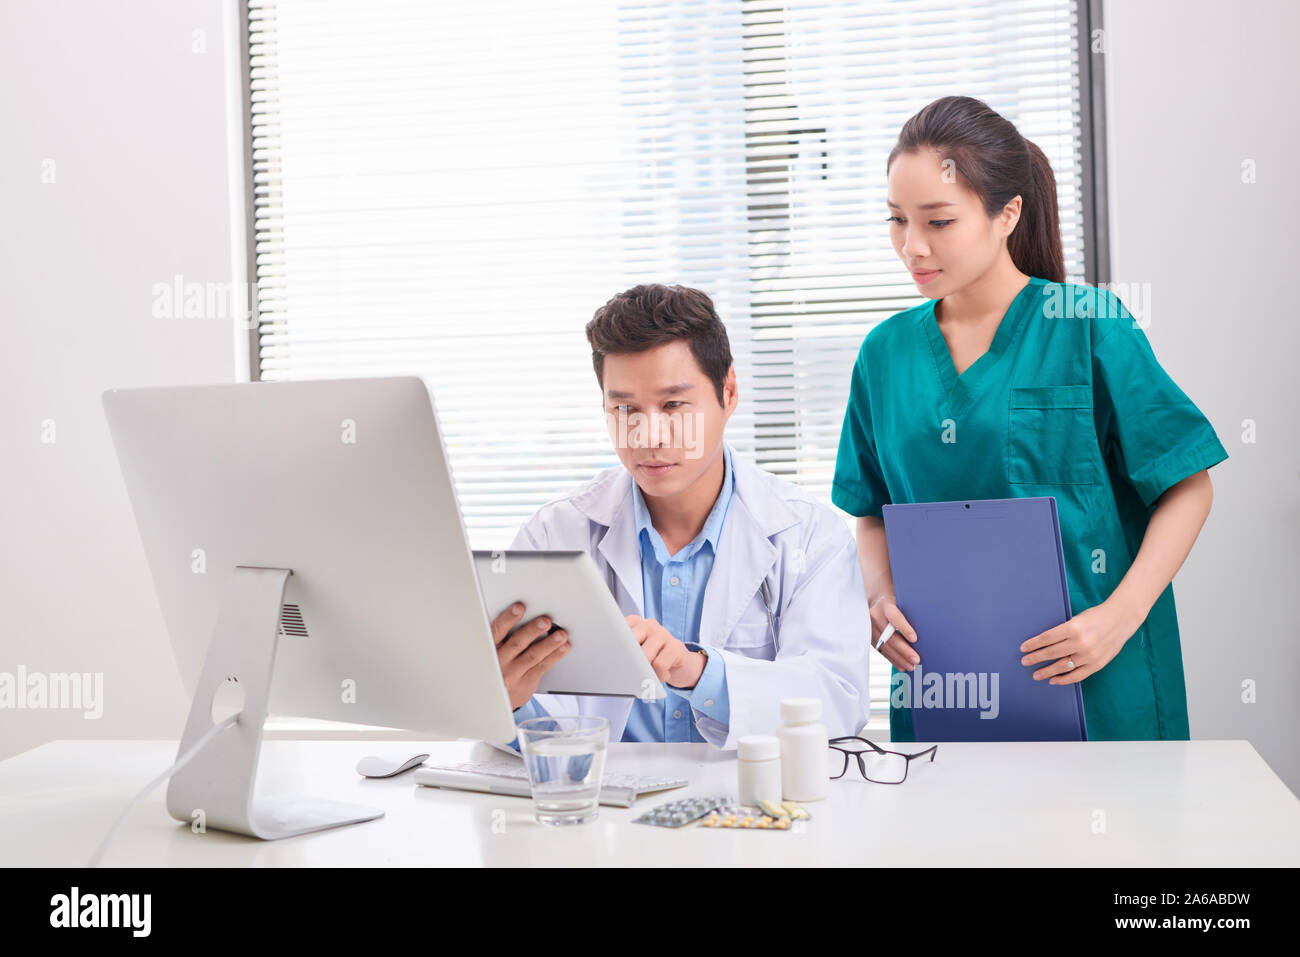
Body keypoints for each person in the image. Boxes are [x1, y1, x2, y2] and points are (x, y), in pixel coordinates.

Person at [832, 96, 1227, 741]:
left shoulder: (1088, 324)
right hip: (947, 681)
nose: (912, 246)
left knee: (1101, 843)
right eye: (897, 221)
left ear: (1006, 214)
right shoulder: (884, 354)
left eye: (938, 221)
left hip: (1095, 676)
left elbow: (1188, 484)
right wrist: (880, 601)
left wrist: (1117, 619)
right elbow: (870, 509)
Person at [493, 283, 871, 749]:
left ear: (728, 392)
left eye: (673, 405)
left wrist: (695, 672)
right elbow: (548, 737)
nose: (649, 435)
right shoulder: (554, 536)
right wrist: (509, 702)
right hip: (607, 812)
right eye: (625, 408)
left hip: (748, 809)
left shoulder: (810, 536)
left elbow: (837, 701)